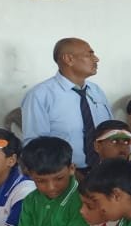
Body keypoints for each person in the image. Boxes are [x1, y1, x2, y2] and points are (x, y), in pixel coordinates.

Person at [21, 38, 113, 170]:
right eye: (89, 54)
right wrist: (66, 172)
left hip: (104, 169)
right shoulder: (40, 95)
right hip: (65, 173)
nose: (96, 59)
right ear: (68, 59)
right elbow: (36, 145)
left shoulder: (96, 90)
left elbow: (112, 129)